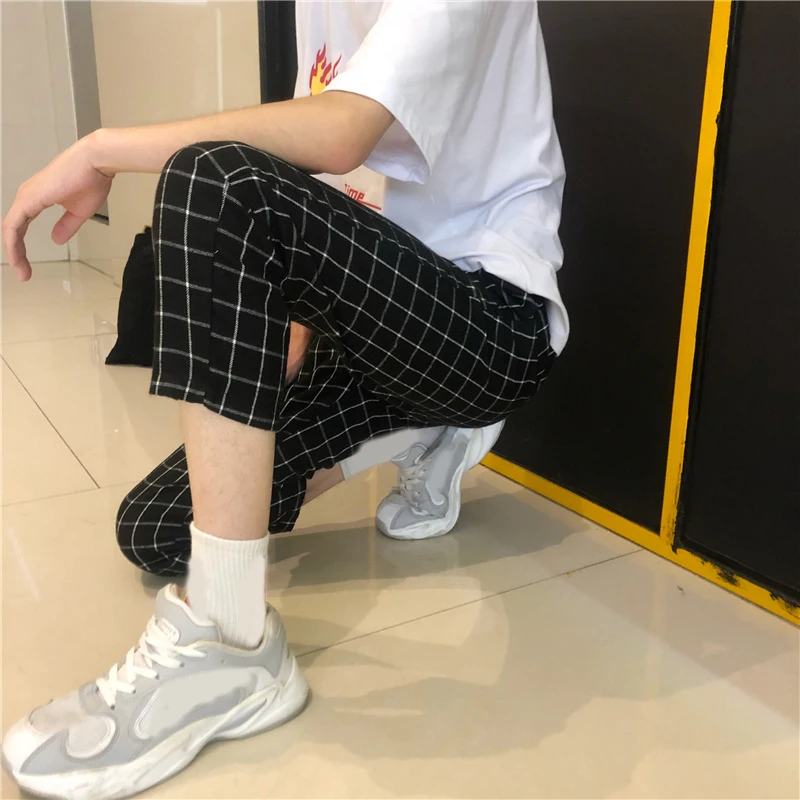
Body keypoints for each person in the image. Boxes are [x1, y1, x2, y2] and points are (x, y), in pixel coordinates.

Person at [1, 2, 567, 797]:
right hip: (372, 326)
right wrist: (290, 320)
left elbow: (339, 132)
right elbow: (322, 174)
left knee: (215, 177)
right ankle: (421, 427)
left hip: (486, 323)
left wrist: (101, 150)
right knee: (153, 530)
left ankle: (231, 643)